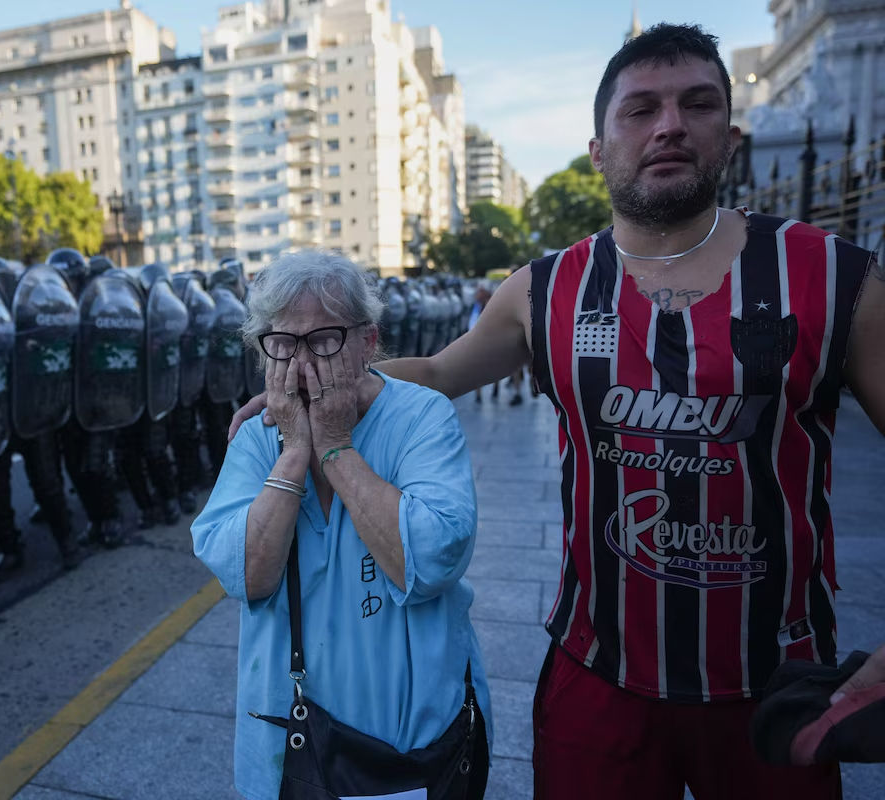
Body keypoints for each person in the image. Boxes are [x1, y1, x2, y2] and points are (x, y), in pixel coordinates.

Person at [229, 24, 884, 800]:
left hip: (772, 675)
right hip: (598, 671)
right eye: (640, 109)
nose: (669, 125)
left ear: (731, 136)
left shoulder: (830, 276)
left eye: (698, 104)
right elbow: (437, 371)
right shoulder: (546, 289)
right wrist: (311, 383)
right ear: (598, 150)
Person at [193, 250, 492, 800]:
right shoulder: (259, 435)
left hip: (412, 742)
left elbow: (433, 559)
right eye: (283, 344)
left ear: (368, 341)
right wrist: (292, 455)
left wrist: (335, 447)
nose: (304, 364)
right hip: (291, 735)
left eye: (325, 340)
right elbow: (245, 575)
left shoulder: (422, 416)